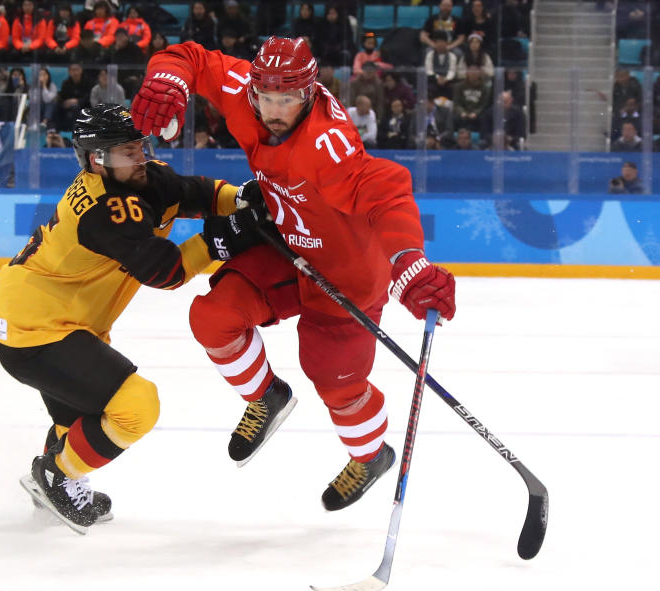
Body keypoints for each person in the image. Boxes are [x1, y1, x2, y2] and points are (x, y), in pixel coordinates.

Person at [130, 37, 456, 511]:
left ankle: (370, 456)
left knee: (336, 383)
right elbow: (191, 58)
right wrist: (167, 79)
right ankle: (266, 397)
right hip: (288, 250)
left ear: (309, 92)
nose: (273, 110)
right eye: (266, 97)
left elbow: (386, 191)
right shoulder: (249, 92)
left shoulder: (330, 145)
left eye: (287, 100)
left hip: (346, 276)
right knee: (214, 317)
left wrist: (408, 260)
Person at [0, 104, 263, 531]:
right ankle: (58, 476)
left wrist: (240, 198)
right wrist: (218, 241)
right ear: (95, 160)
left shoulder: (141, 176)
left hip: (48, 320)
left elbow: (196, 192)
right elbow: (166, 271)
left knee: (79, 421)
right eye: (125, 152)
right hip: (37, 331)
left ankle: (55, 475)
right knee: (136, 406)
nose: (139, 158)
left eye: (139, 147)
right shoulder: (104, 210)